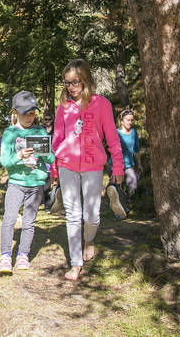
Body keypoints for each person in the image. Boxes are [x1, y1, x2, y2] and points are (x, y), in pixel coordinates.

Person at [51, 59, 124, 281]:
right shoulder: (63, 107)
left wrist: (118, 166)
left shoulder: (102, 104)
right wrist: (54, 170)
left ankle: (89, 240)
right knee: (73, 215)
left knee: (91, 216)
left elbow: (112, 138)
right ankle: (75, 263)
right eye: (67, 83)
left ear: (85, 80)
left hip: (93, 165)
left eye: (75, 82)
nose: (71, 87)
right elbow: (57, 138)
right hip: (67, 165)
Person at [0, 91, 55, 274]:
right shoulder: (10, 133)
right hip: (16, 183)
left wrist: (42, 153)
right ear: (15, 112)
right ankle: (6, 256)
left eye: (32, 113)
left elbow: (52, 158)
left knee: (29, 222)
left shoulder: (39, 131)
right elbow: (5, 161)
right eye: (25, 114)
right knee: (9, 219)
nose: (30, 118)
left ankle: (23, 255)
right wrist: (19, 156)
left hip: (36, 185)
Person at [111, 109, 142, 200]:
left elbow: (136, 149)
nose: (130, 122)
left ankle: (127, 201)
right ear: (122, 120)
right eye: (128, 120)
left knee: (133, 184)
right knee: (116, 187)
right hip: (116, 164)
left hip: (129, 165)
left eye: (132, 120)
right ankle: (117, 207)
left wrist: (139, 164)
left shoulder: (134, 133)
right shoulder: (116, 132)